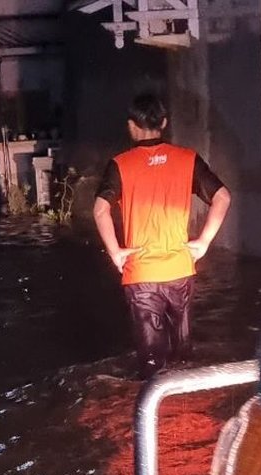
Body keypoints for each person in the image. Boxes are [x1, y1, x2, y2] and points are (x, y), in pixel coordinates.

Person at [94, 93, 232, 379]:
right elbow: (223, 197)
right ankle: (185, 401)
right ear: (164, 123)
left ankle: (154, 401)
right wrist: (203, 242)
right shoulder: (187, 159)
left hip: (142, 274)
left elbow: (100, 210)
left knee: (152, 364)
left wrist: (116, 252)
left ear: (131, 125)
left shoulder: (120, 164)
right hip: (180, 270)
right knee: (183, 358)